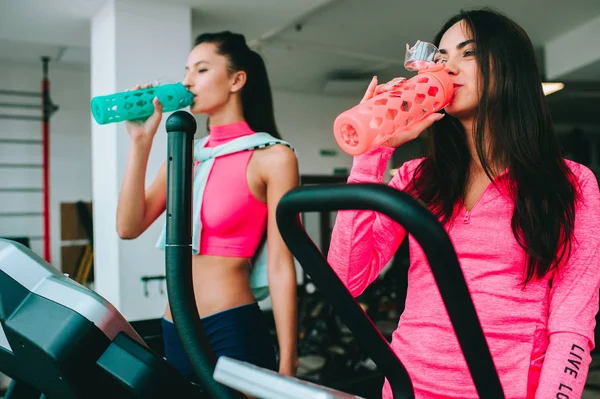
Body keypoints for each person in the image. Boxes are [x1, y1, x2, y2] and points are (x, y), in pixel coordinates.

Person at [327, 8, 600, 399]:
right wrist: (372, 155)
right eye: (439, 57)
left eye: (467, 53)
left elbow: (572, 321)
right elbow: (346, 279)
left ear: (509, 68)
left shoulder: (570, 183)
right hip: (408, 387)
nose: (447, 68)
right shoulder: (417, 178)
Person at [116, 31, 299, 382]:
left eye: (200, 70)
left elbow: (280, 265)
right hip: (175, 325)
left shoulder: (272, 157)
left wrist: (289, 364)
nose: (186, 81)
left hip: (230, 324)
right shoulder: (184, 155)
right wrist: (140, 142)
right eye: (186, 70)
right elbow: (127, 227)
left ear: (236, 79)